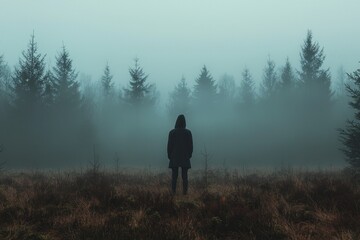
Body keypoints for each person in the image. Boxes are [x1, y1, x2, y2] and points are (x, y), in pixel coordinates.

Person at [167, 114, 193, 195]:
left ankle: (173, 193)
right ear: (184, 122)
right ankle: (185, 193)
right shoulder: (188, 133)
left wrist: (170, 156)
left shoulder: (172, 132)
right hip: (185, 157)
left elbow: (169, 146)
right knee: (185, 177)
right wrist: (189, 155)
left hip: (174, 157)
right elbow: (191, 146)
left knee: (174, 177)